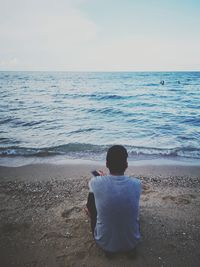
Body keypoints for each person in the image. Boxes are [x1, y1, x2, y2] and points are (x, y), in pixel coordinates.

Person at [86, 145, 141, 254]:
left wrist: (101, 178)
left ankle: (90, 213)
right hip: (132, 242)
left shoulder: (95, 182)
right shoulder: (137, 184)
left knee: (93, 197)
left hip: (104, 243)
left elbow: (101, 184)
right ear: (126, 165)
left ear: (107, 164)